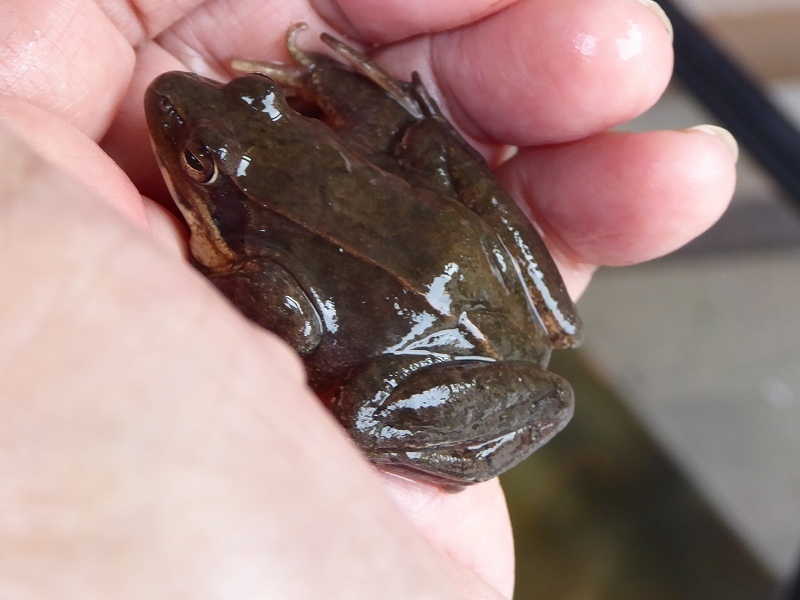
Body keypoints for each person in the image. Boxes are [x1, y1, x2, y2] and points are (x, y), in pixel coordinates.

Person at [0, 0, 736, 597]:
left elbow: (292, 316)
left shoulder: (254, 255)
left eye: (202, 158)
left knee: (362, 406)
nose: (180, 103)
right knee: (426, 151)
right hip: (486, 288)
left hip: (447, 354)